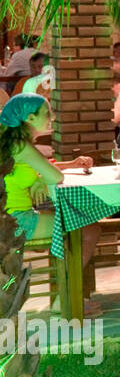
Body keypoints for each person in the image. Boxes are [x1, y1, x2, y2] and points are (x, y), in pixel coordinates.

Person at [0, 94, 98, 275]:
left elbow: (27, 170)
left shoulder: (9, 142)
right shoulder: (22, 146)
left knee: (70, 225)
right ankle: (66, 297)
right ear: (30, 118)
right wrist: (42, 178)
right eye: (47, 113)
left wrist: (45, 175)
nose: (52, 118)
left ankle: (62, 290)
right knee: (88, 229)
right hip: (16, 222)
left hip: (7, 219)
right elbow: (55, 177)